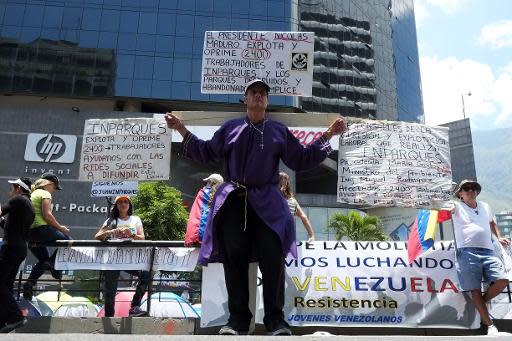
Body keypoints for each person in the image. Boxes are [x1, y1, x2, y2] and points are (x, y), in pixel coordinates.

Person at [165, 78, 346, 336]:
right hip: (234, 202)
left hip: (268, 204)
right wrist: (181, 129)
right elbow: (205, 152)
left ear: (267, 101)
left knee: (273, 260)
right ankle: (237, 322)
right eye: (253, 92)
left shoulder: (278, 130)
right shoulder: (230, 128)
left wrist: (328, 135)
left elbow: (301, 158)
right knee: (234, 261)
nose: (259, 96)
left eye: (263, 93)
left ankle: (276, 321)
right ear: (246, 99)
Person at [451, 179, 510, 336]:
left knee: (502, 280)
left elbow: (492, 223)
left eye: (474, 188)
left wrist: (499, 237)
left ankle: (481, 304)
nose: (471, 190)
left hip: (488, 251)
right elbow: (441, 214)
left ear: (477, 192)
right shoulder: (455, 206)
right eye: (466, 188)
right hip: (466, 252)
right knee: (474, 290)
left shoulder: (485, 206)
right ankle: (490, 325)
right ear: (460, 194)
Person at [95, 195, 151, 317]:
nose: (123, 204)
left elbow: (142, 238)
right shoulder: (111, 220)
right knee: (110, 290)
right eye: (120, 202)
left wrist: (131, 235)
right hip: (113, 259)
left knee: (146, 274)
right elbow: (97, 236)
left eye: (126, 202)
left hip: (131, 259)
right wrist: (109, 232)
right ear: (116, 206)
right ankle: (109, 316)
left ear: (129, 205)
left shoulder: (135, 219)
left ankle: (134, 306)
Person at [23, 173, 71, 301]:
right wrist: (61, 228)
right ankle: (53, 264)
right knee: (68, 242)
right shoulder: (45, 193)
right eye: (54, 187)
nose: (54, 190)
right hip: (41, 229)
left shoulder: (31, 194)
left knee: (43, 260)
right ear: (48, 184)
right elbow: (47, 215)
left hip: (29, 234)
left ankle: (30, 284)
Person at [0, 177, 35, 333]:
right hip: (19, 248)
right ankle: (4, 321)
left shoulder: (19, 199)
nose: (10, 191)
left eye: (12, 188)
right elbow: (9, 226)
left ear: (19, 189)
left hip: (11, 248)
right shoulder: (28, 205)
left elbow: (2, 210)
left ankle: (16, 316)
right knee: (6, 285)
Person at [185, 173, 224, 246]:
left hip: (199, 237)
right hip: (216, 238)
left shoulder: (202, 193)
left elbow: (195, 215)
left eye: (207, 183)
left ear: (211, 183)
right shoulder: (223, 196)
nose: (206, 185)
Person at [279, 172, 315, 243]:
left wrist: (312, 236)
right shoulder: (291, 200)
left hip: (282, 235)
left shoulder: (291, 200)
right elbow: (303, 217)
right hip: (281, 235)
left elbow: (303, 216)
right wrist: (311, 235)